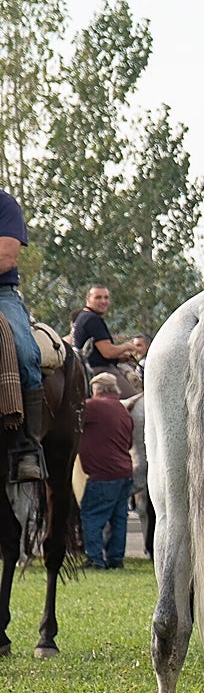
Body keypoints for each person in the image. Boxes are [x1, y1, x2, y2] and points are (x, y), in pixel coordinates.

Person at [0, 190, 46, 481]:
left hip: (1, 292)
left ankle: (27, 446)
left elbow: (6, 255)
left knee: (23, 349)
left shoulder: (4, 205)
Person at [79, 372, 135, 570]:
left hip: (103, 473)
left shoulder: (93, 407)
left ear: (98, 389)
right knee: (119, 518)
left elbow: (71, 418)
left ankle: (95, 558)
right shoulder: (122, 410)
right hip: (124, 471)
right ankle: (115, 559)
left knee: (91, 515)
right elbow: (129, 442)